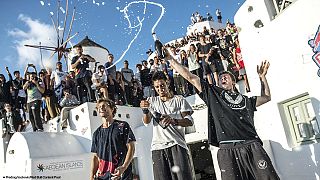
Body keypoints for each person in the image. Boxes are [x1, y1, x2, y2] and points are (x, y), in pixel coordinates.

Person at [168, 57, 280, 180]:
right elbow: (191, 77)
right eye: (221, 78)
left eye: (226, 76)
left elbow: (266, 97)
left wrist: (262, 77)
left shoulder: (246, 100)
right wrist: (170, 59)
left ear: (233, 81)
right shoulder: (213, 94)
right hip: (227, 150)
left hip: (251, 145)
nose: (223, 78)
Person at [140, 71, 195, 180]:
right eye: (157, 87)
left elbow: (189, 121)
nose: (160, 89)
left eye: (162, 85)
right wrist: (145, 111)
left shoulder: (179, 99)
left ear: (167, 83)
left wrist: (174, 121)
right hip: (157, 147)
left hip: (177, 144)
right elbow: (146, 122)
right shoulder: (151, 101)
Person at [90, 99, 136, 180]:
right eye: (99, 107)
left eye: (104, 105)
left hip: (122, 175)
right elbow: (95, 157)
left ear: (112, 109)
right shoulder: (96, 133)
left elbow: (131, 147)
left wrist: (124, 167)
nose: (101, 108)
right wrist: (92, 176)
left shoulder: (122, 126)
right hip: (103, 177)